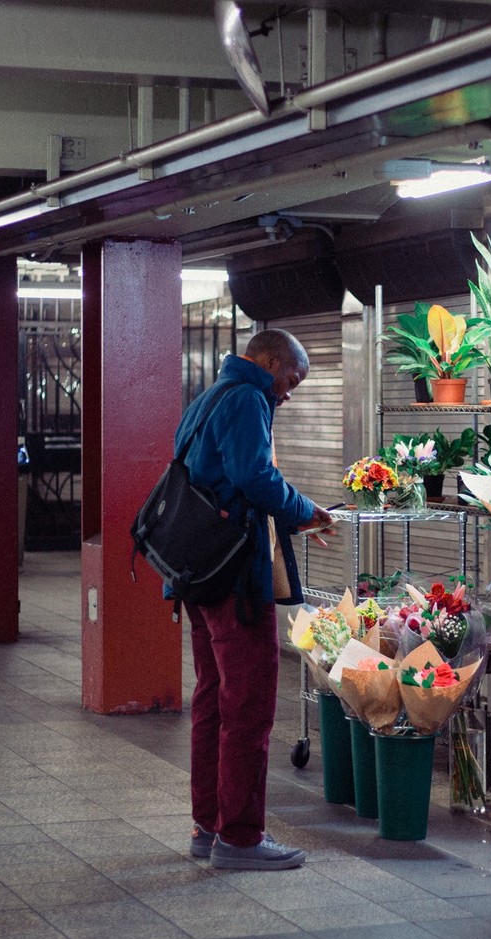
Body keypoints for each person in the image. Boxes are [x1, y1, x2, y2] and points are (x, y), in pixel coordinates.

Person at [174, 329, 333, 871]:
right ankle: (240, 839)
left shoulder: (206, 397)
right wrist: (307, 509)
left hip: (199, 574)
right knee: (249, 706)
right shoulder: (247, 397)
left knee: (212, 700)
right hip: (236, 579)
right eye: (290, 381)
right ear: (268, 363)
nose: (288, 393)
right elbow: (256, 478)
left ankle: (208, 827)